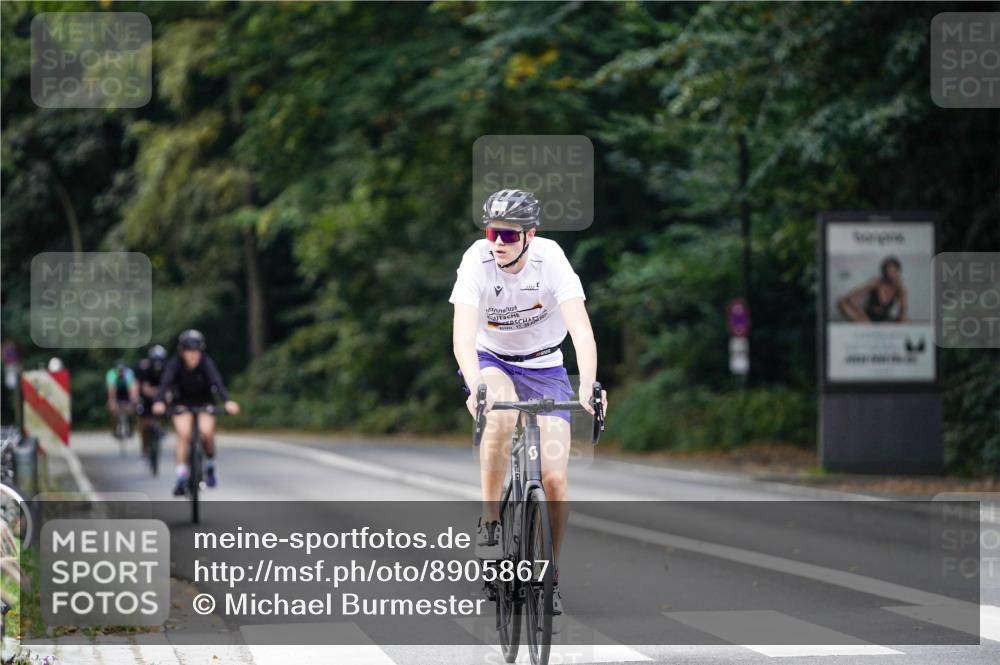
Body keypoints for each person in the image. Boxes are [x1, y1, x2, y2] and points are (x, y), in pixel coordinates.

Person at [450, 188, 607, 625]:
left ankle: (550, 573)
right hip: (491, 360)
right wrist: (476, 383)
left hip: (544, 366)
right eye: (491, 232)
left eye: (508, 235)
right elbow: (463, 335)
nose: (497, 242)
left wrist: (590, 385)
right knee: (500, 417)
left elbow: (581, 330)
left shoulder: (552, 260)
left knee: (555, 478)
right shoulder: (477, 260)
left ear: (530, 236)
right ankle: (489, 522)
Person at [152, 330, 240, 496]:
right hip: (182, 404)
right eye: (188, 351)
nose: (192, 355)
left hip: (205, 403)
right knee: (183, 434)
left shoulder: (206, 362)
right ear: (182, 352)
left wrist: (227, 401)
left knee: (206, 433)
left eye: (196, 351)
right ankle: (181, 476)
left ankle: (210, 465)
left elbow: (217, 382)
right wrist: (159, 401)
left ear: (200, 351)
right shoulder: (175, 363)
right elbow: (165, 383)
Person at [836, 256, 909, 323]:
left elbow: (902, 312)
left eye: (893, 271)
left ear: (898, 272)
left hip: (885, 319)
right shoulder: (876, 282)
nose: (891, 274)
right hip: (867, 318)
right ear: (884, 272)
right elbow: (852, 296)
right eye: (888, 271)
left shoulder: (900, 288)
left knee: (906, 321)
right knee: (841, 302)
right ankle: (866, 324)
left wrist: (902, 291)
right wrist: (859, 312)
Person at [135, 345, 168, 457]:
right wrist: (156, 392)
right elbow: (144, 388)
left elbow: (170, 385)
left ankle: (163, 426)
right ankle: (145, 448)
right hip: (147, 398)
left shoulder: (167, 369)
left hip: (161, 396)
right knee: (145, 424)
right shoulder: (145, 369)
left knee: (170, 405)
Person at [105, 360, 138, 437]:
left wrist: (133, 400)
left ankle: (131, 428)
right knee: (113, 411)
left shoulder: (129, 373)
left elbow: (132, 387)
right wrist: (111, 401)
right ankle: (114, 429)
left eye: (122, 370)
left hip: (126, 392)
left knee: (131, 410)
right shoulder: (111, 373)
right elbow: (111, 388)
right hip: (116, 392)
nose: (121, 372)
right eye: (119, 370)